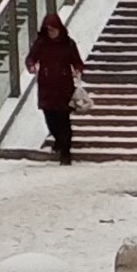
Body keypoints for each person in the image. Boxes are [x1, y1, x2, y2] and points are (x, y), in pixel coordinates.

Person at [29, 11, 85, 164]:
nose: (51, 33)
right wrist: (32, 65)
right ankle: (59, 141)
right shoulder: (41, 43)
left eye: (53, 29)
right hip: (46, 86)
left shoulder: (68, 43)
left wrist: (78, 70)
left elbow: (77, 61)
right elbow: (31, 57)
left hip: (63, 86)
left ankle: (65, 152)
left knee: (63, 119)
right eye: (49, 30)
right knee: (50, 119)